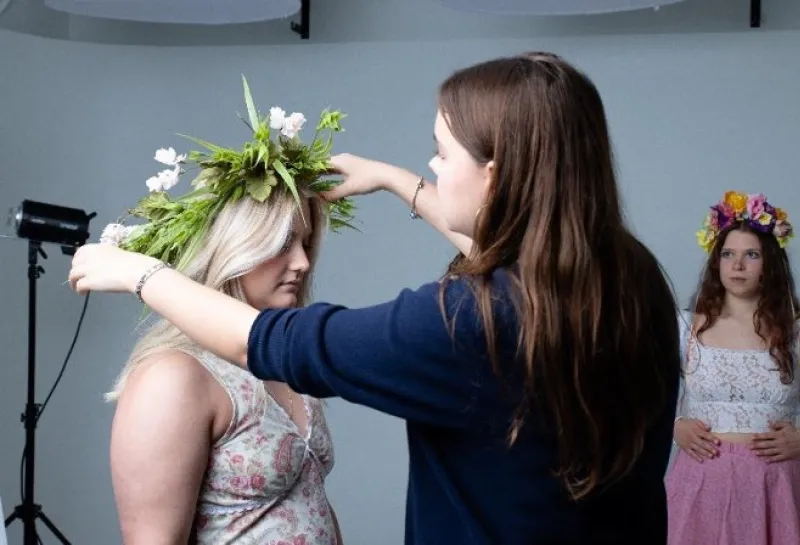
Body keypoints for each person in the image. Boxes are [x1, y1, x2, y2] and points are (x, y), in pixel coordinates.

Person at [68, 52, 681, 544]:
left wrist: (142, 273)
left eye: (442, 153)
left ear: (494, 174)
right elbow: (527, 247)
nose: (433, 167)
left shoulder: (471, 320)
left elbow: (277, 342)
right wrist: (394, 180)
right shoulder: (627, 276)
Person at [94, 81, 353, 544]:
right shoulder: (175, 376)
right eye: (282, 244)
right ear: (236, 248)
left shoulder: (284, 360)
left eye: (306, 242)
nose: (302, 262)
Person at [666, 191, 800, 545]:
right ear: (716, 262)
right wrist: (674, 426)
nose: (737, 265)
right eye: (728, 254)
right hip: (700, 484)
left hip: (776, 487)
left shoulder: (795, 332)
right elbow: (637, 398)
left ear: (770, 262)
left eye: (751, 255)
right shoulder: (684, 328)